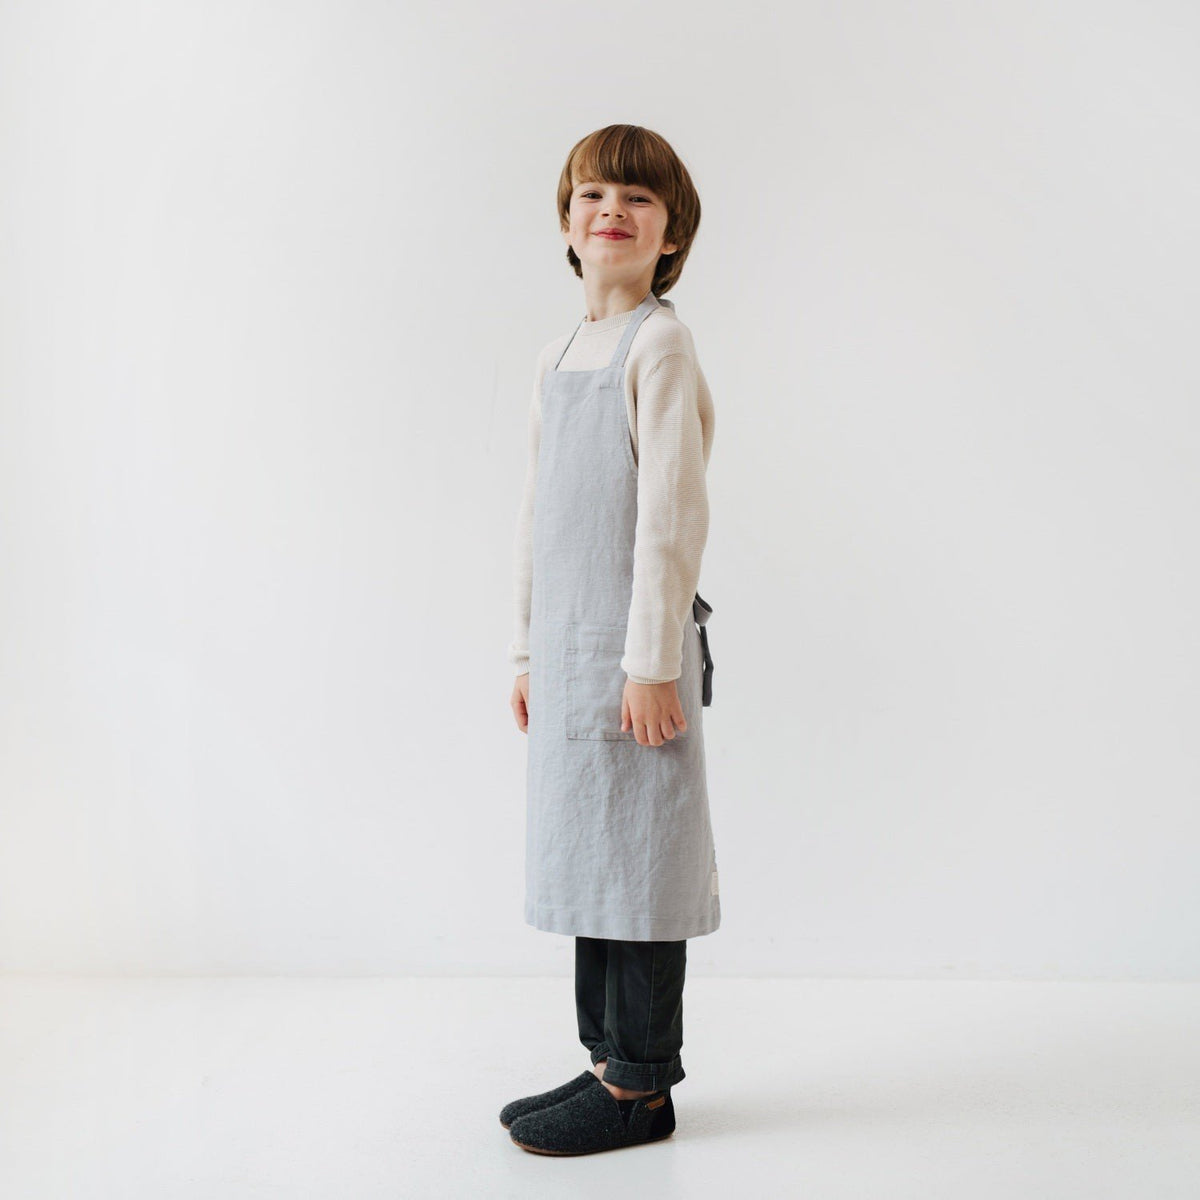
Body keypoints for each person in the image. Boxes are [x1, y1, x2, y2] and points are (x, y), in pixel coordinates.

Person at [501, 124, 720, 1157]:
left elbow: (670, 517)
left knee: (641, 864)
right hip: (572, 653)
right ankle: (604, 1061)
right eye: (593, 194)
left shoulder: (657, 345)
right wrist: (526, 653)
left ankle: (640, 1086)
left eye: (638, 199)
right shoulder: (557, 357)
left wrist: (652, 664)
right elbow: (539, 517)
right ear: (566, 223)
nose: (612, 212)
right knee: (596, 858)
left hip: (636, 659)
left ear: (670, 236)